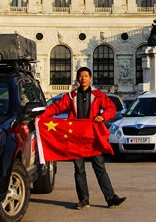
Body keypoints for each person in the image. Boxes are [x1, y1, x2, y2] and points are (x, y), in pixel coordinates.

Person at [42, 67, 127, 210]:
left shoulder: (98, 95)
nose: (83, 78)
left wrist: (103, 116)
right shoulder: (70, 96)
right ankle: (83, 199)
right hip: (76, 138)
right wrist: (42, 116)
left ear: (91, 78)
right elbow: (56, 107)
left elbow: (111, 108)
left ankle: (111, 198)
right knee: (79, 168)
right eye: (81, 76)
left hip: (91, 137)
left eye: (86, 76)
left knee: (100, 167)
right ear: (77, 78)